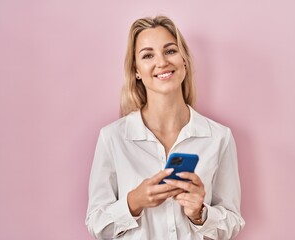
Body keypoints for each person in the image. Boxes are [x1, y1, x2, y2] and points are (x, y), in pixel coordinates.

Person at [85, 15, 245, 240]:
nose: (162, 62)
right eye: (148, 55)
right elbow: (96, 224)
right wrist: (134, 202)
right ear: (137, 70)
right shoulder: (113, 138)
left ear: (184, 61)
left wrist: (199, 213)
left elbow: (232, 221)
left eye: (170, 51)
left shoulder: (219, 138)